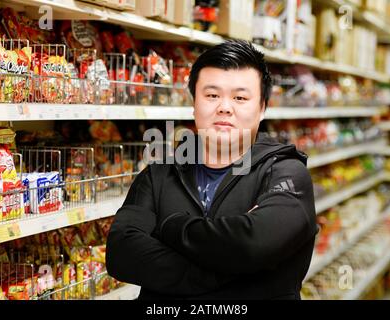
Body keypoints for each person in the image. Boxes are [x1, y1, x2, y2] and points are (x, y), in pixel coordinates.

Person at [106, 40, 318, 300]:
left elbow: (252, 244)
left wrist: (171, 226)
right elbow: (121, 254)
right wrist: (234, 274)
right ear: (193, 103)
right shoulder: (159, 173)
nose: (225, 107)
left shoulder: (285, 173)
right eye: (212, 95)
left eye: (240, 97)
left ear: (262, 108)